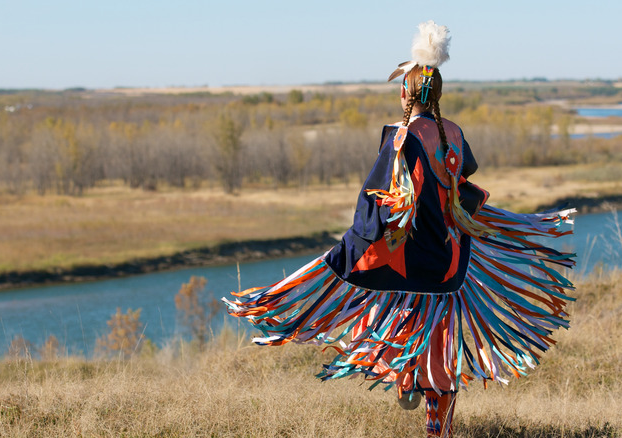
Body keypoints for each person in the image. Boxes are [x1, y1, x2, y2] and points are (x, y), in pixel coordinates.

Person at [223, 21, 575, 437]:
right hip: (448, 263)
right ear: (438, 94)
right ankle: (435, 422)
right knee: (439, 342)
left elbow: (375, 200)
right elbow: (460, 184)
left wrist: (351, 247)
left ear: (404, 93)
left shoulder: (401, 138)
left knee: (395, 321)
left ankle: (407, 379)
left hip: (407, 263)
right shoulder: (455, 133)